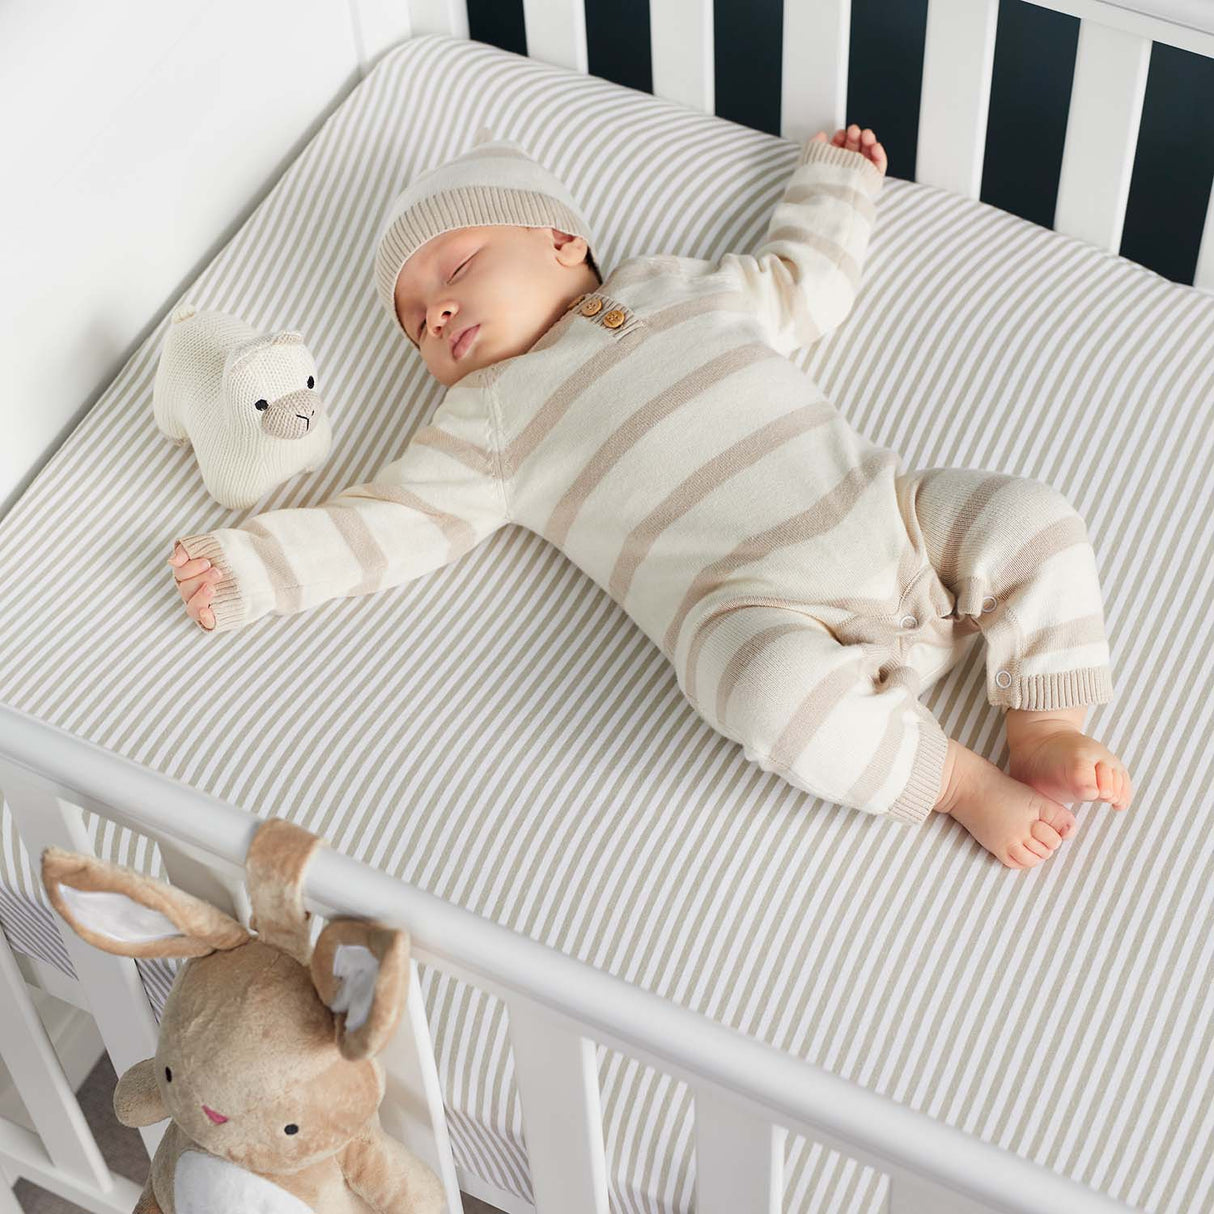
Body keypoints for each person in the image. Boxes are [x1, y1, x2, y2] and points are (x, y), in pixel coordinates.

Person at [169, 123, 1133, 869]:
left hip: (894, 519)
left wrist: (835, 185)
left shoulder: (679, 287)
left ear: (560, 239)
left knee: (1031, 520)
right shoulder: (489, 420)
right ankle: (956, 780)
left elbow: (806, 283)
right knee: (762, 693)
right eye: (416, 321)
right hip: (750, 611)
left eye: (455, 269)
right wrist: (249, 567)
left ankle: (1041, 717)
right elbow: (388, 527)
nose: (440, 311)